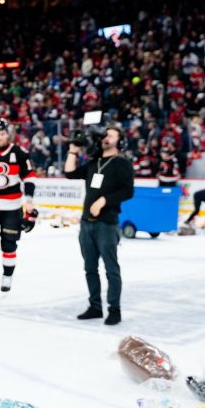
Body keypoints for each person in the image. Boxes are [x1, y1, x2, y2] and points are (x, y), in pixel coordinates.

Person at [65, 126, 134, 326]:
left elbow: (128, 192)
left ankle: (114, 309)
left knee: (111, 269)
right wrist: (72, 150)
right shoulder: (94, 162)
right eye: (105, 134)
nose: (106, 137)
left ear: (119, 141)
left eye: (111, 135)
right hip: (87, 223)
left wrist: (104, 200)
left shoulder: (122, 163)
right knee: (90, 268)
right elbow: (70, 173)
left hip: (107, 223)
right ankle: (95, 306)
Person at [0, 117, 36, 293]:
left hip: (12, 207)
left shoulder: (19, 152)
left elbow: (29, 178)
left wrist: (29, 201)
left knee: (10, 245)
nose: (0, 137)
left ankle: (7, 277)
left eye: (2, 134)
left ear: (7, 134)